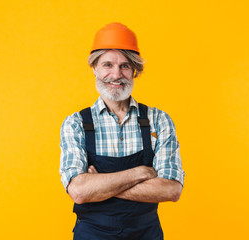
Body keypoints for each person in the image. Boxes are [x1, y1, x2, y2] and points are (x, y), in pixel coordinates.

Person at [59, 22, 185, 240]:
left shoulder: (158, 121)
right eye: (108, 64)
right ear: (95, 68)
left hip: (146, 234)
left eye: (125, 66)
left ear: (134, 70)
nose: (116, 74)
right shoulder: (75, 124)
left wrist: (98, 186)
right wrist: (141, 173)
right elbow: (79, 192)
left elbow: (171, 190)